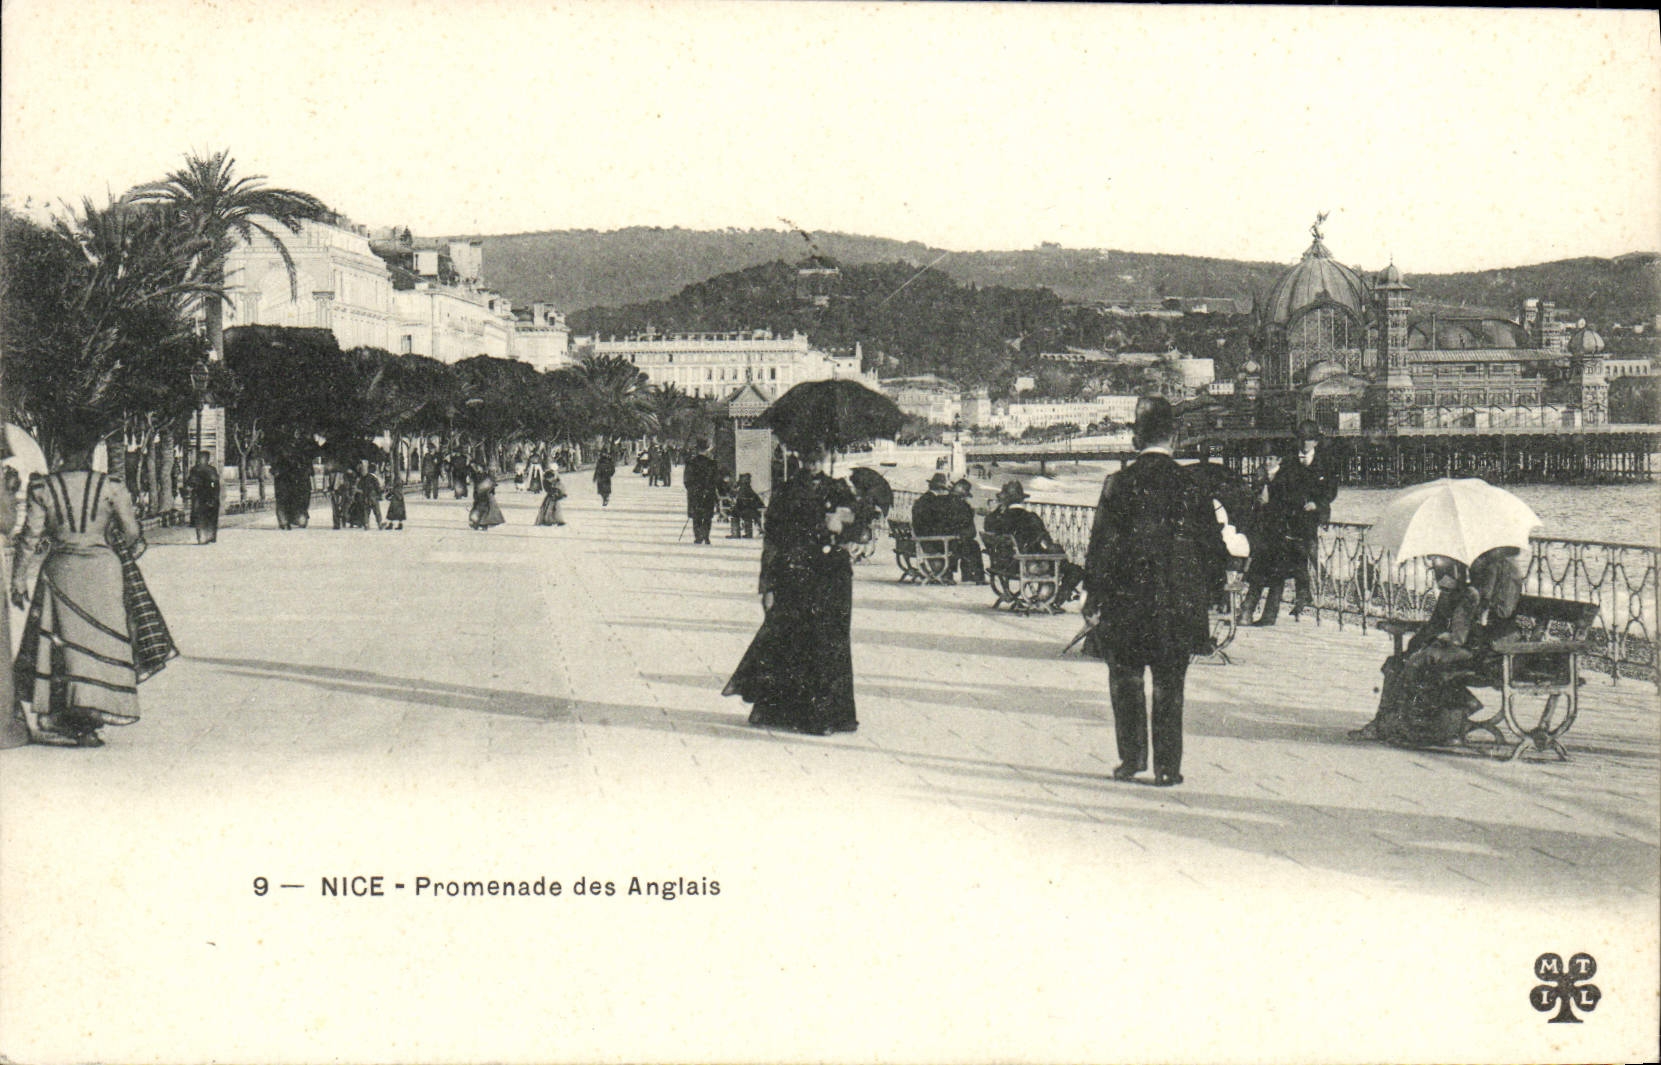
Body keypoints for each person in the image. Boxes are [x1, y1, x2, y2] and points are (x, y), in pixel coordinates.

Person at [1082, 396, 1227, 787]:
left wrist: (1093, 596)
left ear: (1135, 440)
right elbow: (1212, 547)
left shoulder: (1117, 484)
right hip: (1177, 604)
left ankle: (1131, 761)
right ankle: (1167, 768)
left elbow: (1100, 545)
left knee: (1126, 682)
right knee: (1169, 687)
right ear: (1174, 440)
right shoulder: (1192, 484)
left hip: (1125, 602)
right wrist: (1213, 594)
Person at [9, 425, 177, 747]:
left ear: (60, 451)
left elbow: (30, 537)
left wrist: (18, 580)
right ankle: (93, 719)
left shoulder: (44, 487)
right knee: (102, 645)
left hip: (62, 571)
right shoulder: (111, 486)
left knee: (64, 649)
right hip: (104, 572)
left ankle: (68, 719)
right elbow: (132, 532)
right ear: (90, 452)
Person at [723, 443, 859, 736]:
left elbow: (859, 527)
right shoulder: (785, 492)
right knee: (792, 641)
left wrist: (841, 524)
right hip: (794, 573)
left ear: (826, 458)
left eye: (818, 458)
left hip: (832, 576)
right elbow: (772, 540)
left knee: (828, 644)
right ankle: (785, 712)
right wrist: (768, 585)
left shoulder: (839, 490)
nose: (812, 464)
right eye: (807, 458)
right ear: (799, 458)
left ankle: (826, 716)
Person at [1352, 549, 1523, 747]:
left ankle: (1428, 724)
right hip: (1468, 643)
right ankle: (1388, 723)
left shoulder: (1505, 568)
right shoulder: (1475, 570)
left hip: (1489, 649)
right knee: (1397, 663)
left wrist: (1477, 600)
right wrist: (1456, 593)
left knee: (1422, 661)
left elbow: (1501, 614)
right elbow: (1440, 622)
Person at [1245, 422, 1338, 625]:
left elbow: (1331, 490)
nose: (1305, 444)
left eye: (1309, 440)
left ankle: (1306, 594)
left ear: (1316, 442)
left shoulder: (1325, 461)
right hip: (1288, 517)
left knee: (1307, 553)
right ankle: (1297, 598)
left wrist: (1318, 504)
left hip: (1311, 517)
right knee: (1287, 559)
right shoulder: (1289, 460)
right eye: (1302, 440)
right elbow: (1280, 485)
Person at [985, 479, 1085, 609]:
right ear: (1022, 500)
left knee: (1054, 562)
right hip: (1027, 565)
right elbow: (1046, 541)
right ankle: (1055, 600)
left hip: (1005, 565)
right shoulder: (1030, 518)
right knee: (1075, 570)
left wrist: (999, 509)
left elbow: (989, 524)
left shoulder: (998, 519)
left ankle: (1046, 596)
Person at [909, 472, 960, 583]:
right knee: (956, 541)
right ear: (940, 489)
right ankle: (946, 574)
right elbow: (935, 522)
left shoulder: (923, 499)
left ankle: (944, 572)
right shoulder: (933, 501)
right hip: (929, 540)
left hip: (921, 537)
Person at [684, 440, 721, 545]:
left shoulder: (691, 463)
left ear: (697, 450)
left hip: (695, 493)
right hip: (708, 492)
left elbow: (687, 480)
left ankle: (698, 536)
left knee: (696, 516)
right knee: (707, 515)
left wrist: (692, 489)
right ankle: (706, 536)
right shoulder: (712, 464)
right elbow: (716, 479)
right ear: (706, 449)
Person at [184, 450, 220, 544]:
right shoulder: (210, 469)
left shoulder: (195, 469)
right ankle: (209, 536)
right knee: (209, 517)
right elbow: (215, 483)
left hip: (201, 496)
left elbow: (190, 483)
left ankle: (203, 537)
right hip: (207, 495)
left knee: (201, 517)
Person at [728, 472, 765, 538]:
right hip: (750, 509)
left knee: (734, 513)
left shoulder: (743, 488)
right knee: (740, 514)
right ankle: (748, 533)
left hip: (746, 509)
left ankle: (735, 533)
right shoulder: (747, 488)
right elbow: (757, 500)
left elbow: (738, 498)